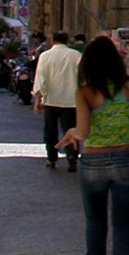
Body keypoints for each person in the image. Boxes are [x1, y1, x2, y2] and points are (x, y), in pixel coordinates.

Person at [59, 35, 129, 255]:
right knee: (122, 224)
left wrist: (71, 132)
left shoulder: (85, 92)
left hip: (94, 162)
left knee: (95, 223)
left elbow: (83, 132)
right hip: (127, 159)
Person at [33, 31, 81, 170]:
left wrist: (38, 100)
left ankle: (51, 158)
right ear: (67, 41)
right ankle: (72, 157)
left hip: (51, 100)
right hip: (71, 100)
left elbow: (40, 79)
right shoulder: (76, 56)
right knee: (71, 129)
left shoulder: (45, 56)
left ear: (53, 41)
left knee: (50, 131)